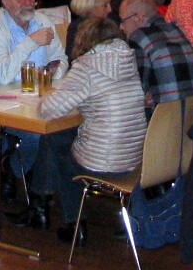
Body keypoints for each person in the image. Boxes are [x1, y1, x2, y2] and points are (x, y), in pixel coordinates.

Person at [36, 17, 149, 243]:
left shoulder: (87, 66)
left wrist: (49, 94)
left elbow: (47, 110)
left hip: (103, 163)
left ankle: (70, 221)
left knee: (53, 141)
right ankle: (41, 202)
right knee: (65, 138)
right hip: (133, 159)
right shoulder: (127, 59)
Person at [118, 0, 193, 113]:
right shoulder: (177, 31)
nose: (121, 27)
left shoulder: (139, 37)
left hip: (162, 119)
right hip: (189, 116)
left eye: (123, 20)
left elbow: (135, 93)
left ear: (139, 17)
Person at [0, 0, 67, 86]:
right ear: (6, 2)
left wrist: (52, 73)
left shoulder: (43, 21)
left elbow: (61, 59)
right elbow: (1, 77)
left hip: (44, 89)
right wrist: (31, 42)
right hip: (8, 94)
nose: (27, 2)